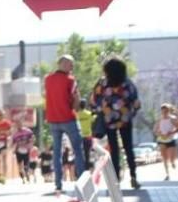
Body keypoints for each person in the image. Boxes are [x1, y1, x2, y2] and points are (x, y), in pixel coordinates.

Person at [91, 57, 141, 189]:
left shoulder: (102, 83)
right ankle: (133, 176)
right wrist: (130, 112)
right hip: (125, 120)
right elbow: (136, 102)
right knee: (128, 148)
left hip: (109, 120)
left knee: (113, 149)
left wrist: (103, 109)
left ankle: (116, 179)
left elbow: (94, 100)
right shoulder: (127, 83)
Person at [43, 54, 85, 193]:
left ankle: (58, 184)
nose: (72, 67)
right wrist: (78, 105)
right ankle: (81, 181)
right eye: (70, 64)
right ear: (62, 64)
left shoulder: (47, 79)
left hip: (53, 119)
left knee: (57, 152)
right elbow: (76, 100)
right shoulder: (70, 80)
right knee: (78, 150)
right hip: (68, 118)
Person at [154, 104, 178, 181]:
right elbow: (155, 130)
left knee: (171, 158)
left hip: (171, 139)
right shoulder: (159, 119)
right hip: (162, 139)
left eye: (166, 111)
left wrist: (171, 132)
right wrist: (159, 133)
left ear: (169, 111)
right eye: (163, 111)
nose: (164, 113)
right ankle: (167, 174)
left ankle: (173, 162)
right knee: (164, 157)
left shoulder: (173, 119)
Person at [76, 99, 94, 170]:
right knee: (88, 153)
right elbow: (93, 120)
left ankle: (81, 168)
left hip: (81, 136)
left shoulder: (77, 115)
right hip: (89, 136)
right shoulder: (89, 114)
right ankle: (88, 167)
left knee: (81, 153)